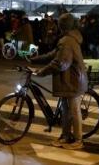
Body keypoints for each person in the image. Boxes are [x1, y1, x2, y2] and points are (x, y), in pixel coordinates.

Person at [30, 12, 88, 150]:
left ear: (62, 26)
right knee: (66, 110)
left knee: (74, 110)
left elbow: (61, 63)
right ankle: (65, 136)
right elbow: (54, 54)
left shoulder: (67, 40)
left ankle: (78, 140)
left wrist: (42, 72)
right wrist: (36, 59)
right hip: (71, 80)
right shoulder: (69, 39)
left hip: (72, 81)